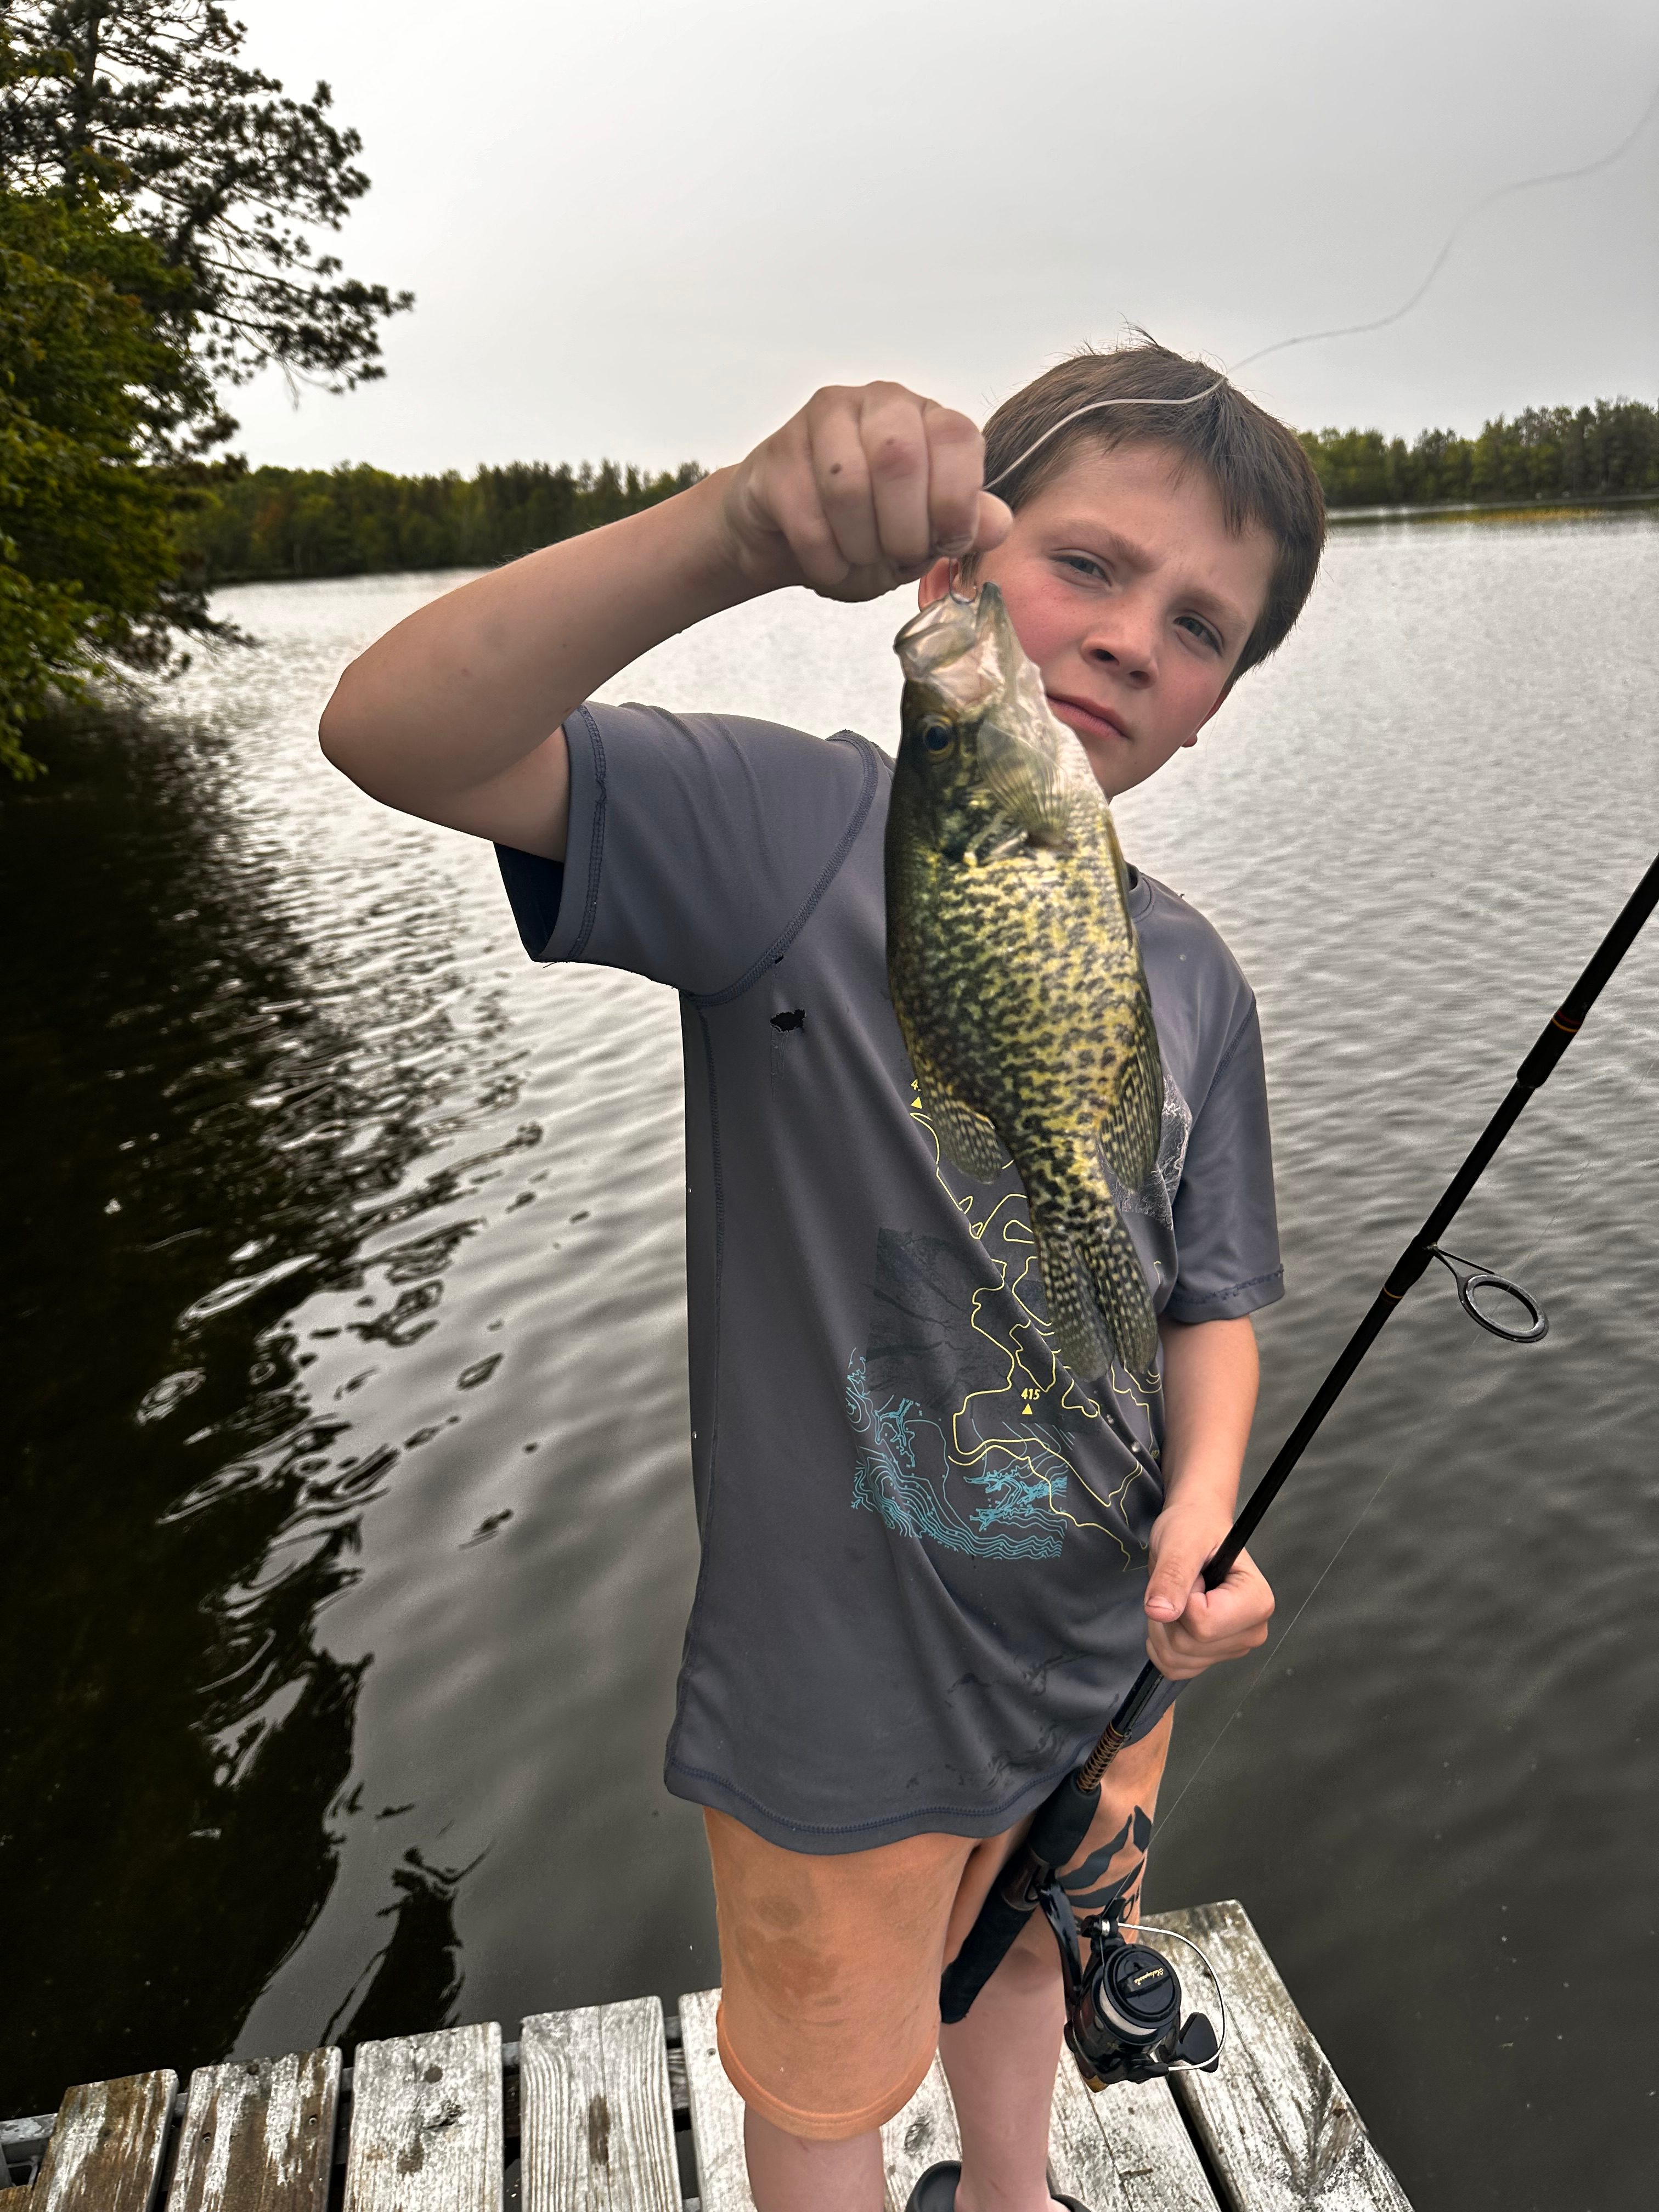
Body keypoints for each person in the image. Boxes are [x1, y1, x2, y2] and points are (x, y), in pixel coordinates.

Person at [319, 338, 1325, 2212]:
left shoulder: (1196, 977)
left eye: (1200, 627)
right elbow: (397, 734)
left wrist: (1204, 1513)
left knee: (1032, 1959)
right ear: (956, 568)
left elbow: (1210, 1301)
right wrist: (739, 531)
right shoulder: (789, 840)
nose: (1130, 640)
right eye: (1088, 565)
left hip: (1103, 1655)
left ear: (1214, 704)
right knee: (825, 2081)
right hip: (839, 1696)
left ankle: (1013, 2197)